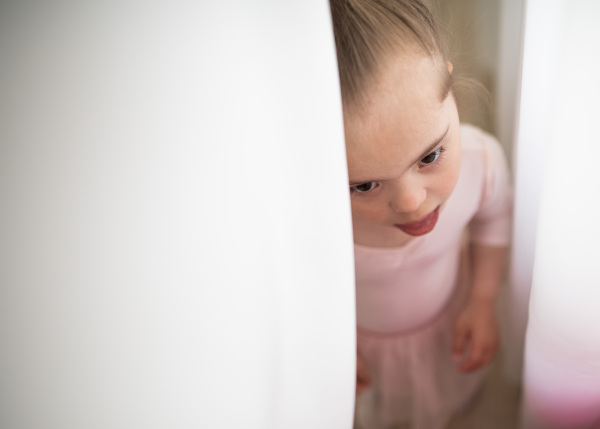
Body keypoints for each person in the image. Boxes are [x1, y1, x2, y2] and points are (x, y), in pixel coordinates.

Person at [329, 1, 513, 428]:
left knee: (450, 400)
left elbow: (495, 218)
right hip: (363, 349)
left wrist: (483, 298)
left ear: (450, 85)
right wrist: (329, 345)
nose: (411, 202)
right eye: (364, 185)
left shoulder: (481, 163)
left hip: (448, 325)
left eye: (430, 156)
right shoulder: (320, 222)